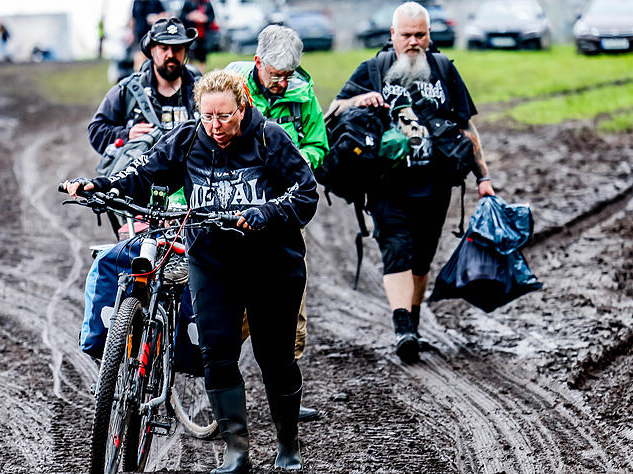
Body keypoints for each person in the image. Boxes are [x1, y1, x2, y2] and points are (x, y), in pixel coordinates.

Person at [64, 69, 318, 473]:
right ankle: (237, 453)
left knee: (276, 360)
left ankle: (288, 444)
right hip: (214, 265)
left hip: (271, 266)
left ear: (242, 107)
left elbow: (305, 195)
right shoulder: (185, 140)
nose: (216, 126)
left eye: (225, 116)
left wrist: (265, 213)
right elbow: (143, 173)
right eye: (208, 117)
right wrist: (101, 186)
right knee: (217, 356)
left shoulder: (271, 139)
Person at [330, 2, 496, 363]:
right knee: (397, 251)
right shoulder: (372, 69)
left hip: (436, 185)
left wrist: (483, 177)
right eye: (406, 35)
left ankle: (414, 323)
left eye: (420, 34)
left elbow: (467, 128)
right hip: (388, 185)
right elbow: (334, 109)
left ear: (429, 34)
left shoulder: (443, 69)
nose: (414, 41)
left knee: (422, 258)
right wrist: (361, 99)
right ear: (393, 36)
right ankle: (402, 326)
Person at [226, 24, 327, 422]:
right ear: (257, 63)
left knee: (291, 306)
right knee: (233, 307)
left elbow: (319, 146)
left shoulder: (304, 96)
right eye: (275, 74)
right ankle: (221, 388)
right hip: (235, 213)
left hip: (283, 216)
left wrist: (293, 162)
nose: (283, 83)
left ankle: (287, 394)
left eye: (289, 75)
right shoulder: (232, 90)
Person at [88, 17, 200, 158]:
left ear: (185, 51)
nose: (171, 54)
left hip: (192, 176)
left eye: (177, 48)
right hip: (144, 178)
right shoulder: (128, 90)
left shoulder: (202, 92)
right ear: (152, 50)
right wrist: (127, 134)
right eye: (164, 48)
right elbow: (96, 131)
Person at [179, 0, 217, 73]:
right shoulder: (188, 2)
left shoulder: (207, 3)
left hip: (203, 35)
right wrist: (191, 16)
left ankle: (201, 74)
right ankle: (189, 73)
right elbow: (182, 17)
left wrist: (204, 18)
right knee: (190, 56)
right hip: (191, 35)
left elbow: (212, 17)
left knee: (202, 57)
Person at [131, 0, 167, 70]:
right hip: (139, 36)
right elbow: (133, 19)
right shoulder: (136, 2)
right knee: (139, 58)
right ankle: (139, 77)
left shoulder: (155, 2)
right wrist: (131, 33)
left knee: (153, 59)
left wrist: (156, 18)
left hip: (153, 37)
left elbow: (164, 16)